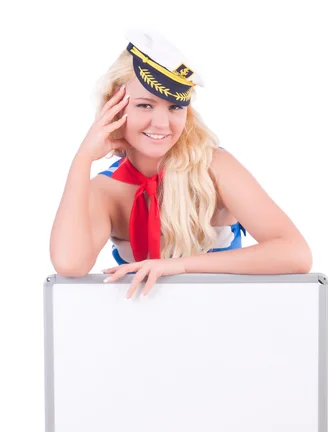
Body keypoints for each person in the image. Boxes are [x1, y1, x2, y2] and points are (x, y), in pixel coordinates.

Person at [50, 27, 312, 290]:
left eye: (175, 107)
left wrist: (181, 266)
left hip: (224, 323)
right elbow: (70, 264)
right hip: (141, 328)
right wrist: (82, 159)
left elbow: (295, 254)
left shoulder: (213, 168)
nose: (162, 124)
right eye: (145, 105)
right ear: (114, 105)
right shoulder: (105, 190)